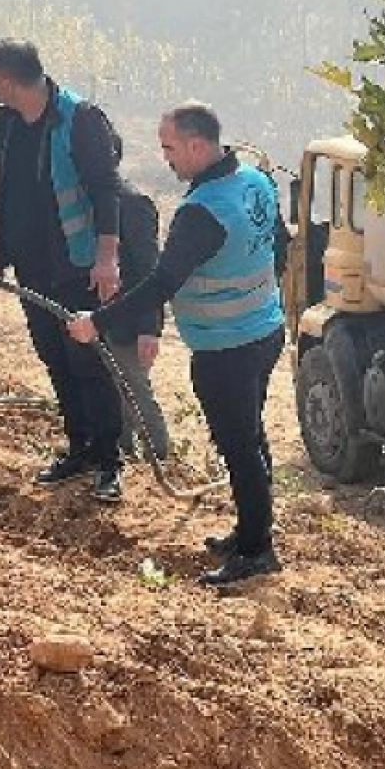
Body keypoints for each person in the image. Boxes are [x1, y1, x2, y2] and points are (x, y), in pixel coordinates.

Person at [68, 102, 289, 585]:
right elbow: (281, 246)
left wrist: (98, 322)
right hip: (265, 330)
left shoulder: (201, 212)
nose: (165, 157)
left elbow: (159, 283)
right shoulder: (256, 181)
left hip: (225, 348)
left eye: (169, 147)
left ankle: (256, 551)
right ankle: (253, 529)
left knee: (239, 446)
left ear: (196, 145)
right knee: (251, 437)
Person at [0, 37, 127, 503]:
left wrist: (106, 259)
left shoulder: (80, 119)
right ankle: (79, 449)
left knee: (87, 360)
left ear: (7, 78)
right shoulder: (7, 123)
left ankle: (109, 461)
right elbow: (2, 188)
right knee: (53, 356)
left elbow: (108, 192)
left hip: (76, 263)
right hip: (31, 265)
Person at [109, 157, 171, 461]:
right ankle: (122, 450)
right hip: (98, 316)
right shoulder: (86, 201)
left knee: (134, 388)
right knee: (112, 389)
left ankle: (160, 459)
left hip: (128, 318)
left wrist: (149, 327)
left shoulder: (133, 204)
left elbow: (150, 271)